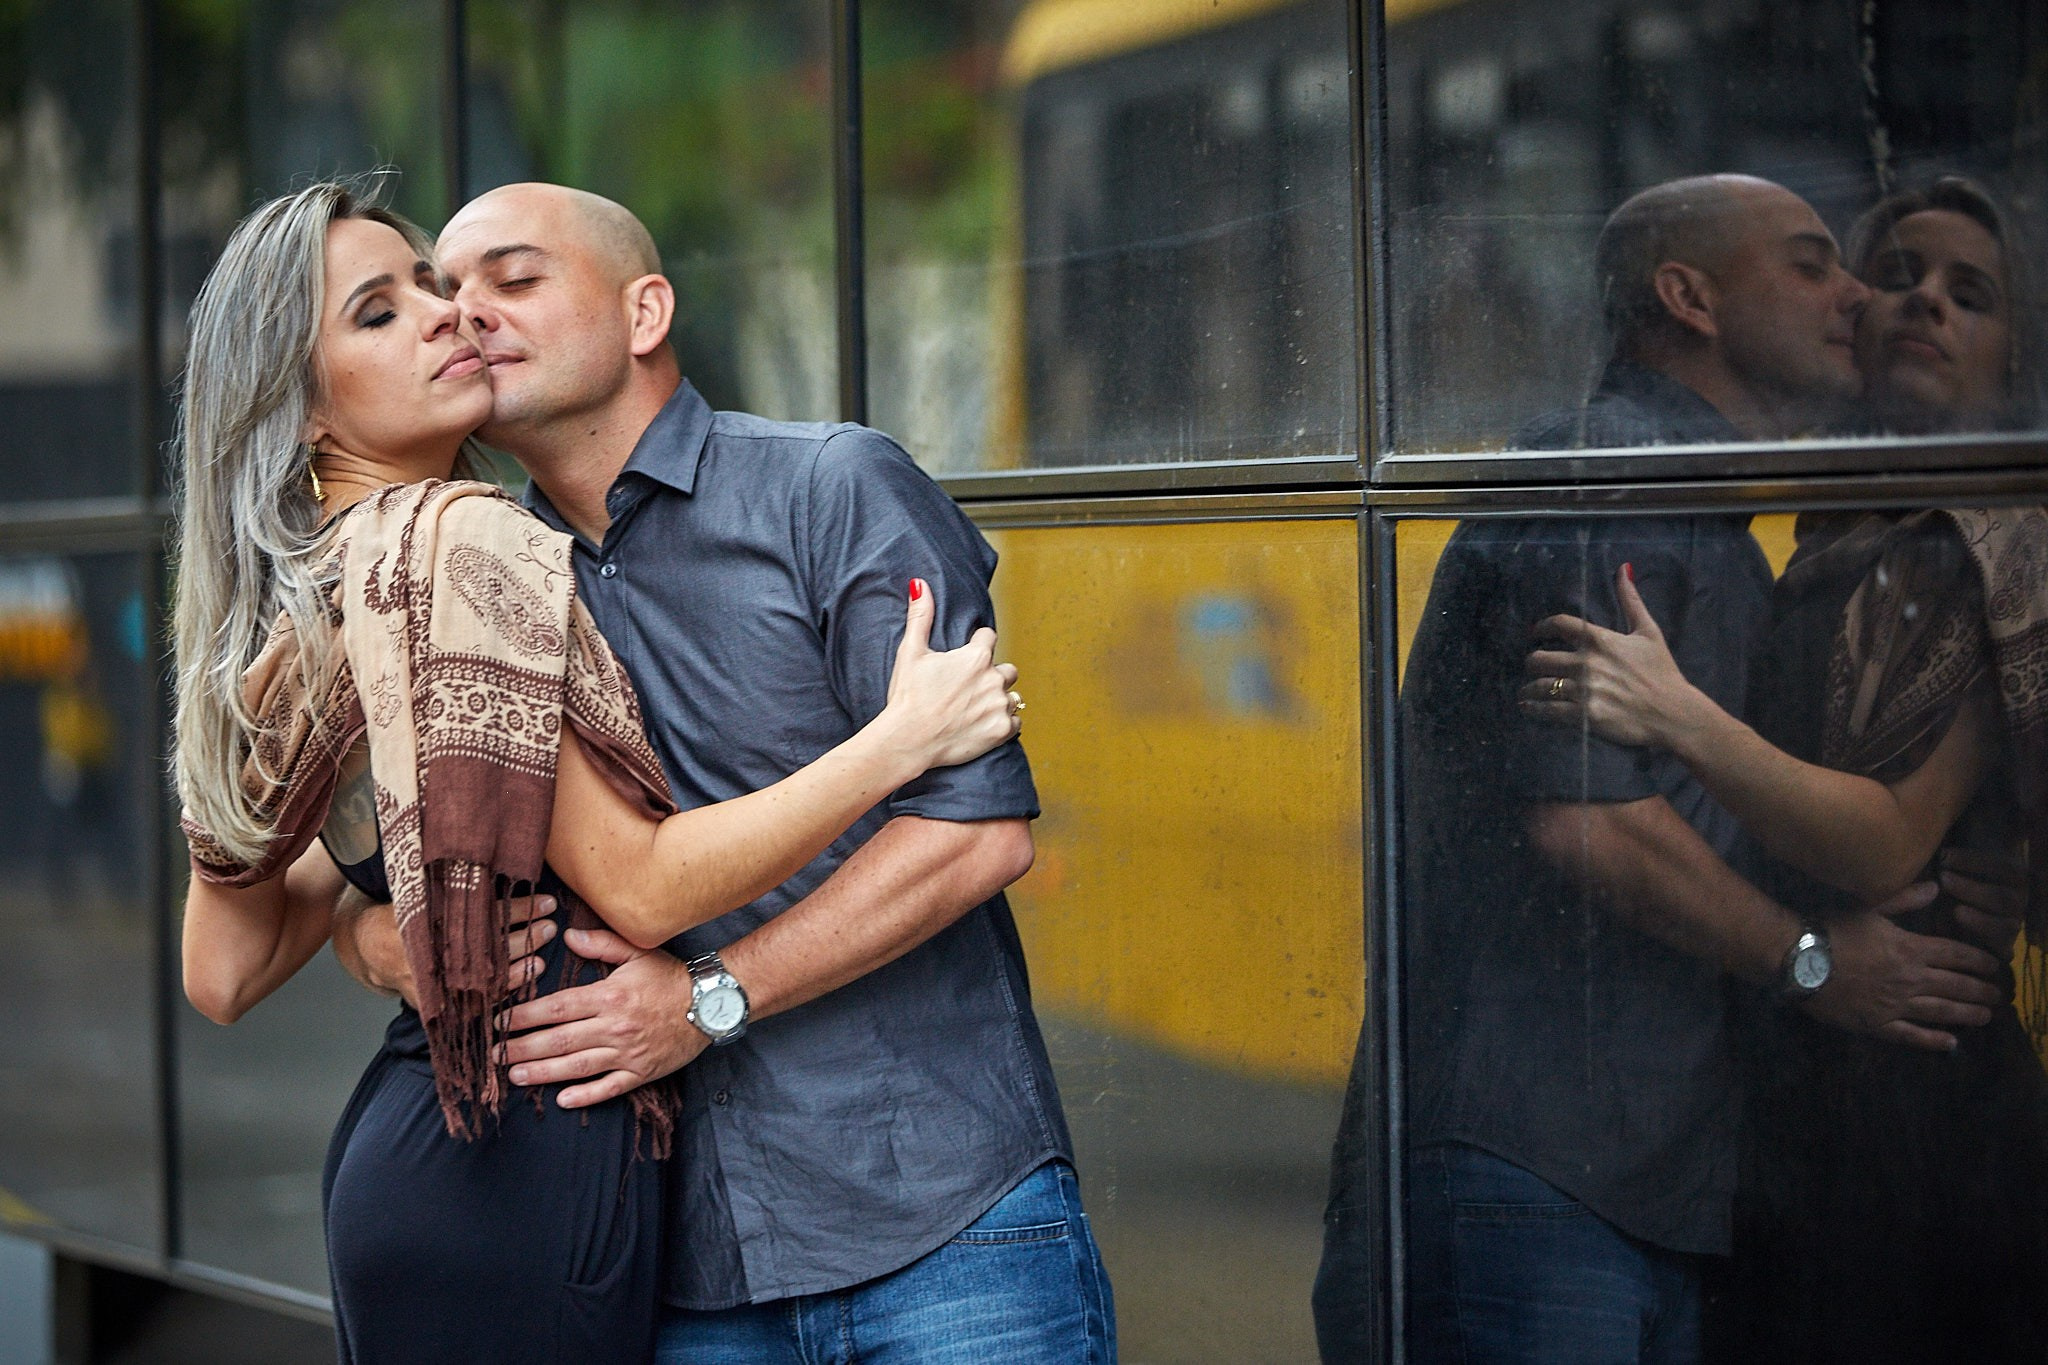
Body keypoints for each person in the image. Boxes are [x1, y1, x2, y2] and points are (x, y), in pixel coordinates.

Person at [173, 182, 1025, 1363]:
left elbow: (224, 962)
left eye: (489, 283)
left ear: (645, 311)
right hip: (557, 1192)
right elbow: (637, 887)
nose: (452, 314)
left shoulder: (332, 596)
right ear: (305, 412)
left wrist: (390, 932)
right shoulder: (464, 555)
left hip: (886, 1210)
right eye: (394, 306)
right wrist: (895, 743)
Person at [1311, 174, 2012, 1365]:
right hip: (1538, 1171)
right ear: (1685, 297)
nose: (1853, 295)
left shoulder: (1719, 518)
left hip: (1628, 1182)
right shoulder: (1616, 467)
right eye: (1809, 263)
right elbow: (1589, 824)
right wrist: (1814, 963)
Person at [1520, 175, 2048, 1363]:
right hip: (1778, 1097)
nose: (1920, 305)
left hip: (1919, 1102)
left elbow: (1886, 843)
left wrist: (1678, 717)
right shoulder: (1812, 542)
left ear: (2014, 360)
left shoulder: (1999, 551)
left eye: (1971, 295)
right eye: (1896, 275)